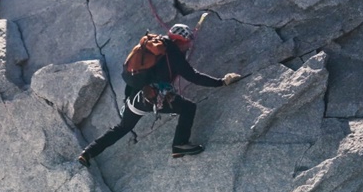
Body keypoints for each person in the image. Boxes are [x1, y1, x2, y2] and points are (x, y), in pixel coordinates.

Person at [78, 24, 242, 166]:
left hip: (137, 98)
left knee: (123, 128)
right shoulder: (174, 55)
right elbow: (193, 77)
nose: (189, 46)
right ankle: (179, 145)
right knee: (188, 108)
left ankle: (88, 153)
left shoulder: (158, 46)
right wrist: (221, 82)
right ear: (180, 41)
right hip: (155, 97)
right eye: (187, 43)